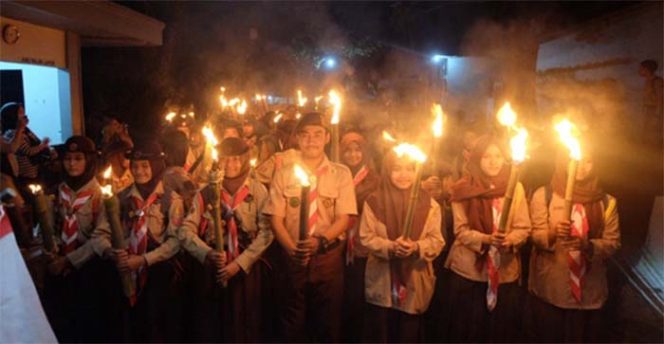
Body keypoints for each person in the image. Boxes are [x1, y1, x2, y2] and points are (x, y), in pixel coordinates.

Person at [265, 112, 357, 342]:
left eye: (317, 134)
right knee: (291, 321)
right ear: (296, 138)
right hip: (292, 258)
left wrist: (320, 241)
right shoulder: (285, 173)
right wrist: (293, 250)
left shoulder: (341, 173)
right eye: (305, 135)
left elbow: (344, 217)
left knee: (326, 323)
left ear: (327, 138)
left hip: (327, 258)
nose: (311, 140)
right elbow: (275, 218)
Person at [179, 137, 273, 342]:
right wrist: (207, 253)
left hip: (245, 267)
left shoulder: (257, 190)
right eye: (225, 159)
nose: (230, 165)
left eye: (236, 160)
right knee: (214, 321)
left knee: (245, 321)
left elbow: (267, 232)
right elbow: (185, 231)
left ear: (245, 160)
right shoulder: (205, 192)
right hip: (214, 267)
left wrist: (239, 264)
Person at [525, 149, 620, 343]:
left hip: (589, 289)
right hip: (553, 286)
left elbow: (613, 242)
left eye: (588, 161)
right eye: (574, 161)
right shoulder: (545, 195)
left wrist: (589, 245)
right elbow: (535, 234)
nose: (580, 167)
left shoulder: (607, 202)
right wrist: (552, 234)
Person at [443, 135, 532, 342]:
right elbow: (461, 230)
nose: (493, 162)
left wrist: (509, 240)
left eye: (498, 156)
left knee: (499, 331)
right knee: (469, 329)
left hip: (504, 272)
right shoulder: (462, 188)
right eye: (486, 156)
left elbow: (523, 226)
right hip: (470, 272)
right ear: (476, 159)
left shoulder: (514, 187)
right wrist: (486, 239)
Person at [102, 140, 185, 342]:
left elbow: (175, 241)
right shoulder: (121, 199)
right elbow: (103, 232)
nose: (139, 172)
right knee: (132, 324)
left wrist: (144, 260)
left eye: (145, 166)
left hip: (158, 272)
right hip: (127, 270)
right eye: (135, 166)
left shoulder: (170, 200)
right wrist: (110, 251)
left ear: (156, 166)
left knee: (157, 325)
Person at [359, 150, 445, 343]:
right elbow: (366, 236)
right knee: (382, 330)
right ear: (387, 171)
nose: (404, 175)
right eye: (396, 169)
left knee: (408, 330)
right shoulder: (374, 201)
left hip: (415, 276)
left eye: (410, 169)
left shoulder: (430, 205)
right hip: (383, 278)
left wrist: (416, 247)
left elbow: (437, 240)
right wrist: (390, 247)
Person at [41, 136, 111, 342]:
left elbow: (101, 236)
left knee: (86, 325)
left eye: (78, 158)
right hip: (58, 265)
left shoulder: (101, 194)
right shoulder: (57, 192)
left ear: (89, 161)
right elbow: (47, 225)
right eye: (68, 158)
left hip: (87, 267)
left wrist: (68, 261)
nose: (72, 164)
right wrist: (51, 250)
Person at [338, 130, 381, 342]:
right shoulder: (336, 174)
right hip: (339, 243)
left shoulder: (374, 178)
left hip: (362, 244)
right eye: (348, 151)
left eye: (357, 150)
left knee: (359, 291)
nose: (353, 155)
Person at [0, 103, 52, 192]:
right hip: (25, 175)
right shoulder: (12, 133)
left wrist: (45, 147)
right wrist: (42, 146)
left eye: (23, 112)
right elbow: (26, 151)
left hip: (35, 170)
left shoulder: (25, 130)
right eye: (20, 112)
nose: (24, 115)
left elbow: (35, 143)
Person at [638, 59, 663, 147]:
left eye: (641, 68)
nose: (639, 70)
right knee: (646, 132)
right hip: (648, 110)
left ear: (646, 70)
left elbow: (661, 98)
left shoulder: (657, 81)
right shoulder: (648, 81)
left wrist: (657, 114)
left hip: (654, 110)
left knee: (654, 133)